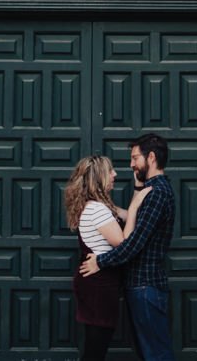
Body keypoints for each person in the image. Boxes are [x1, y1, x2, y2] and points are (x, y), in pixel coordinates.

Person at [79, 133, 176, 361]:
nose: (131, 164)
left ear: (150, 157)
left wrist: (100, 262)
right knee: (148, 352)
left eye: (135, 158)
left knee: (156, 354)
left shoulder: (156, 194)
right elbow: (131, 217)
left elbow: (133, 244)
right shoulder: (149, 191)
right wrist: (129, 195)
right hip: (141, 286)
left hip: (146, 286)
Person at [65, 154, 152, 361]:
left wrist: (138, 190)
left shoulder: (100, 207)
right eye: (110, 171)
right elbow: (124, 242)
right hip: (98, 287)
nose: (115, 174)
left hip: (97, 284)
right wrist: (134, 206)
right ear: (99, 177)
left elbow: (130, 216)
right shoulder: (97, 210)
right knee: (96, 350)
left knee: (95, 346)